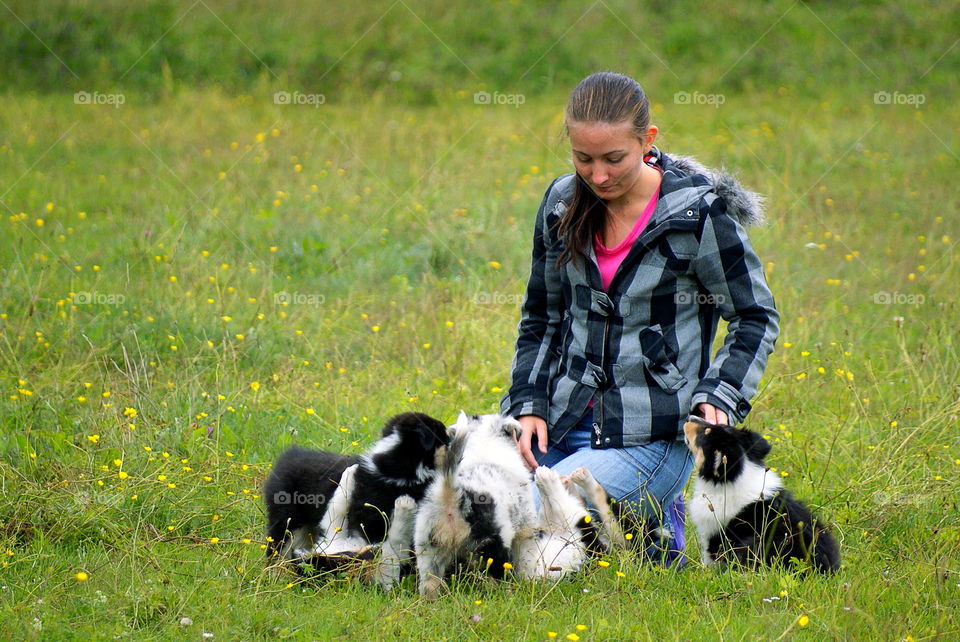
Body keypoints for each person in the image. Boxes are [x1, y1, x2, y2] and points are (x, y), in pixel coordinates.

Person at [500, 71, 779, 565]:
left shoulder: (699, 215)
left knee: (541, 518)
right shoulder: (560, 202)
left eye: (614, 159)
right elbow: (542, 315)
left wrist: (721, 394)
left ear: (647, 141)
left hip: (655, 434)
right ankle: (649, 534)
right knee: (481, 504)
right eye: (583, 159)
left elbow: (755, 316)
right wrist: (528, 403)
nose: (598, 176)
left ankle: (651, 512)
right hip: (560, 420)